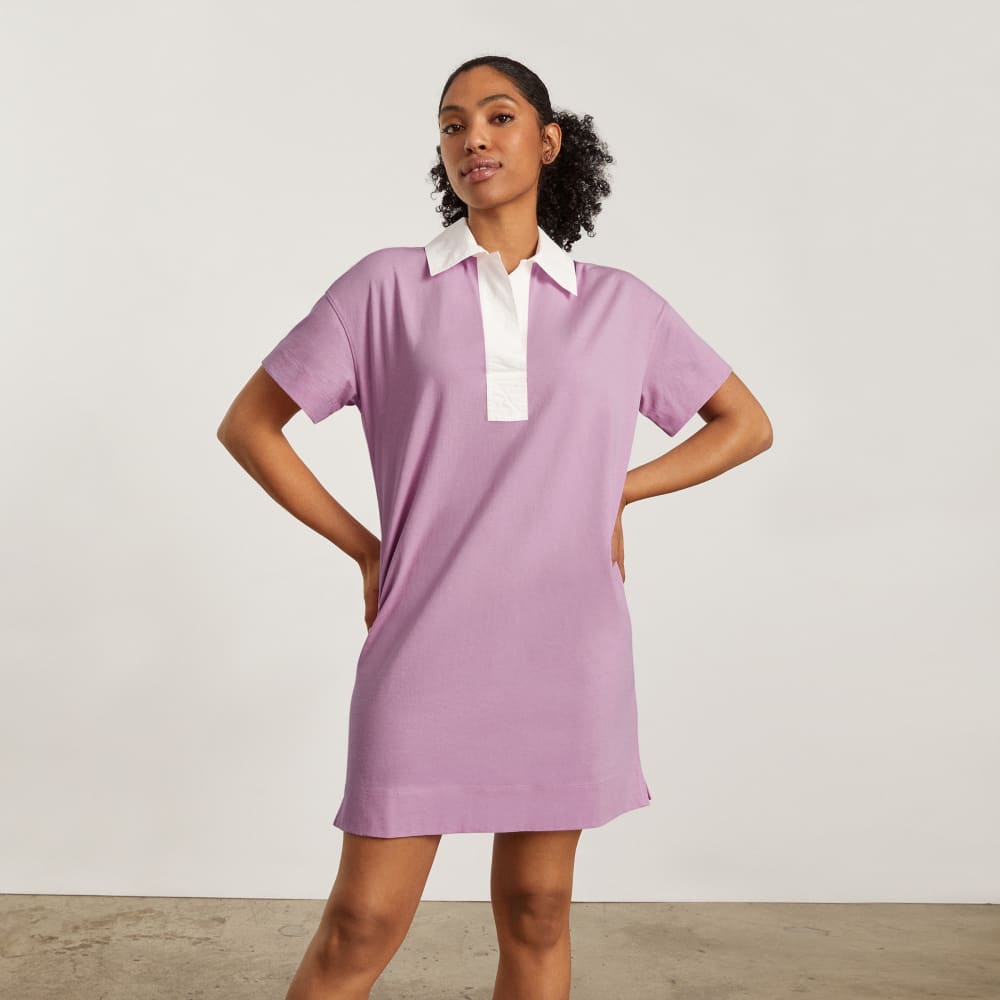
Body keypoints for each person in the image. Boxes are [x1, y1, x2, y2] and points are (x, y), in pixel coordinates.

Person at [217, 54, 772, 1000]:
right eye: (452, 123)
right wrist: (366, 549)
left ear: (549, 142)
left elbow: (745, 425)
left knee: (537, 908)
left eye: (498, 116)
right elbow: (250, 426)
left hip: (567, 646)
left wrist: (616, 491)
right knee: (360, 924)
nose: (473, 136)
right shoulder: (384, 289)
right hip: (425, 643)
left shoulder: (620, 305)